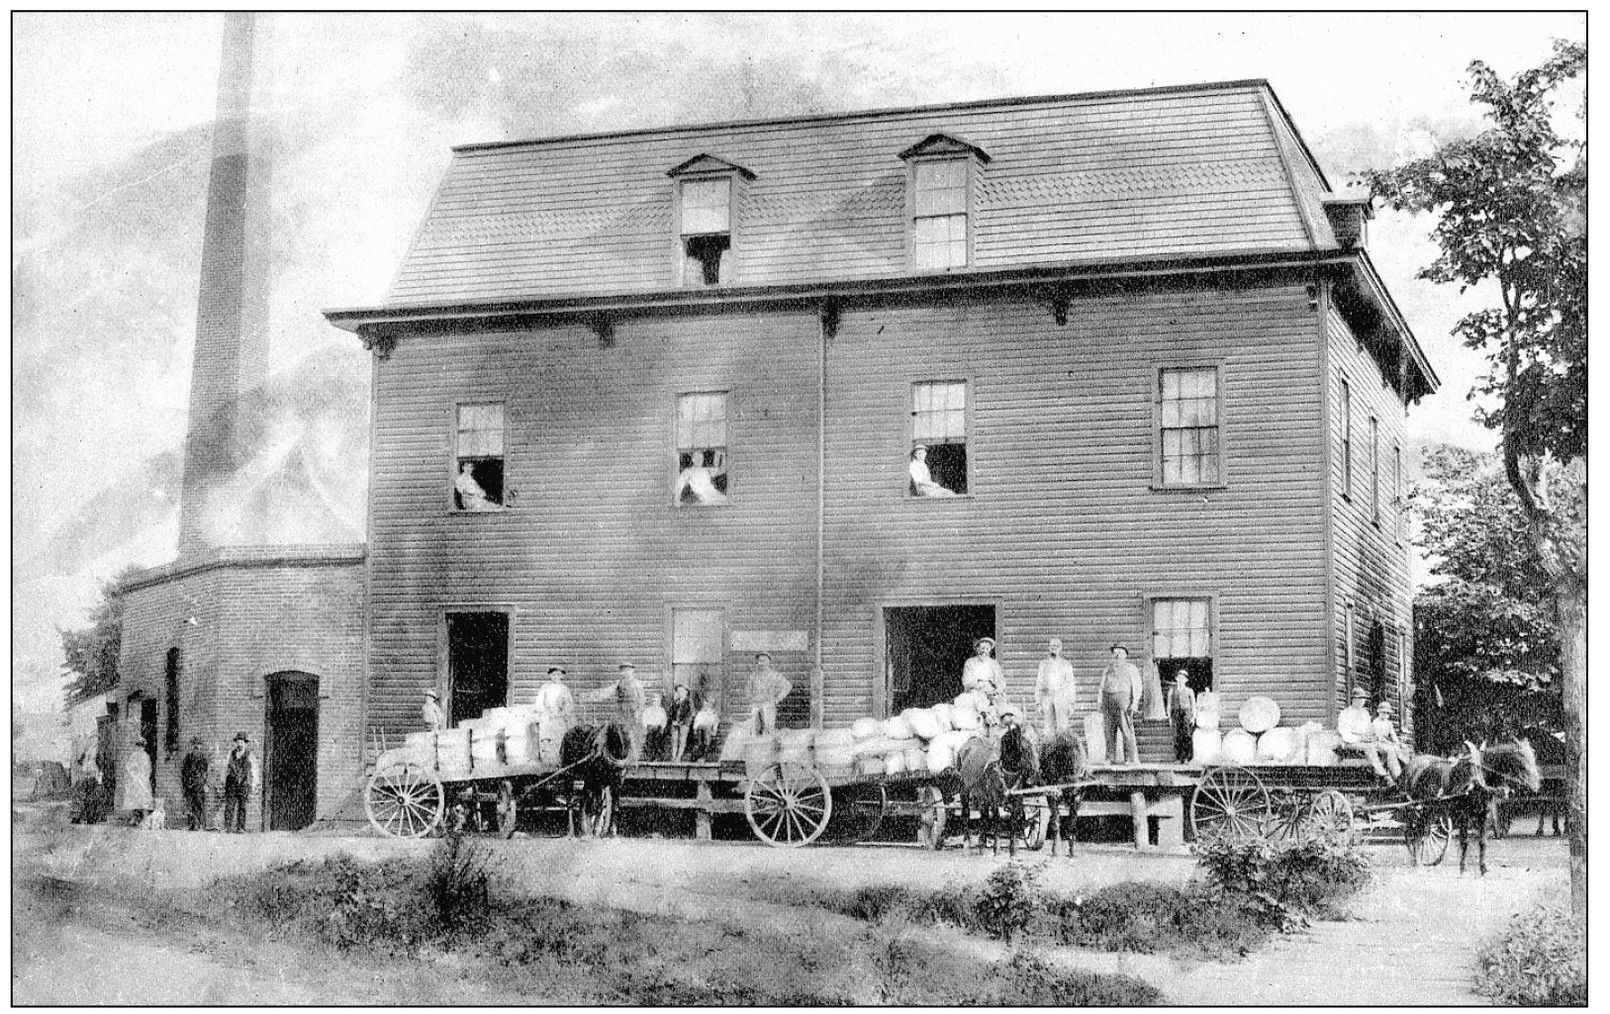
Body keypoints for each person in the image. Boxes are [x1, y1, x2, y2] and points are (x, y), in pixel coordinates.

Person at [584, 664, 647, 760]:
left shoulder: (637, 684)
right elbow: (607, 692)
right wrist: (591, 696)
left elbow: (642, 700)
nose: (626, 672)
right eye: (624, 670)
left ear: (632, 671)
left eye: (628, 670)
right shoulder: (619, 683)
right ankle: (599, 749)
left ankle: (635, 758)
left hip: (633, 713)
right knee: (608, 729)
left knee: (633, 735)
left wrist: (638, 712)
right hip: (620, 712)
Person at [1098, 644, 1142, 764]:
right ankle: (1110, 757)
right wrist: (1099, 701)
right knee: (1109, 731)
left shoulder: (1131, 668)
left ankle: (1129, 758)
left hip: (1124, 702)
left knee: (1126, 730)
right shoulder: (1107, 669)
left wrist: (1135, 703)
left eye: (1120, 653)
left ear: (1125, 655)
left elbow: (1137, 686)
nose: (1117, 655)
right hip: (1108, 702)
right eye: (1115, 653)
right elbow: (1102, 686)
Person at [1034, 638, 1077, 737]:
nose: (1054, 649)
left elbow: (1071, 684)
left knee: (1062, 727)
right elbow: (1039, 683)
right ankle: (1050, 750)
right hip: (1047, 697)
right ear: (1049, 648)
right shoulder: (1043, 664)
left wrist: (1071, 703)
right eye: (1052, 647)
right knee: (1048, 728)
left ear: (1060, 648)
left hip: (1061, 697)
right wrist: (1038, 703)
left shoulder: (1066, 664)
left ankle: (1063, 750)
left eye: (1056, 646)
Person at [746, 652, 792, 736]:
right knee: (753, 730)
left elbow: (787, 686)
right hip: (755, 705)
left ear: (768, 662)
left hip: (768, 705)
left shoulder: (774, 675)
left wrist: (777, 699)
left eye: (764, 661)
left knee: (768, 729)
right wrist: (751, 698)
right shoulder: (753, 676)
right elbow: (747, 689)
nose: (761, 663)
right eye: (759, 661)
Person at [221, 732, 258, 834]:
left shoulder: (250, 755)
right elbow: (225, 768)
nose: (239, 744)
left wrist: (253, 785)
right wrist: (223, 780)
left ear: (245, 743)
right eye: (238, 742)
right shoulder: (231, 754)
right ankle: (227, 826)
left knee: (242, 806)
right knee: (229, 805)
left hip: (244, 784)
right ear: (235, 743)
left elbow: (254, 771)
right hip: (231, 783)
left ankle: (240, 827)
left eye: (241, 742)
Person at [115, 729, 154, 824]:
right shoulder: (133, 755)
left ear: (144, 747)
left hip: (142, 779)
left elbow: (148, 768)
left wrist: (144, 775)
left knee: (143, 797)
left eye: (142, 746)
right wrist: (133, 775)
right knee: (133, 798)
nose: (140, 748)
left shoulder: (145, 756)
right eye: (138, 746)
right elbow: (129, 767)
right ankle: (134, 817)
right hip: (134, 779)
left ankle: (145, 817)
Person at [1366, 700, 1406, 782]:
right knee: (1390, 750)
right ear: (1379, 712)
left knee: (1399, 749)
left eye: (1387, 713)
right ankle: (1395, 774)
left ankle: (1403, 769)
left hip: (1386, 743)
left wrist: (1398, 743)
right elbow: (1379, 737)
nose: (1385, 715)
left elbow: (1393, 735)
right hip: (1376, 743)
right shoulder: (1375, 723)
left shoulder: (1389, 724)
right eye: (1383, 712)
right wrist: (1389, 743)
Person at [180, 736, 211, 831]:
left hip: (199, 785)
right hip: (189, 784)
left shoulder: (203, 759)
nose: (196, 747)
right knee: (190, 804)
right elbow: (183, 771)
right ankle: (191, 824)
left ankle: (198, 824)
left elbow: (205, 773)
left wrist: (204, 783)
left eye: (198, 745)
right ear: (192, 746)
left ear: (201, 746)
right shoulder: (187, 758)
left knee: (198, 804)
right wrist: (185, 783)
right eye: (194, 745)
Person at [1166, 671, 1197, 763]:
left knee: (1186, 735)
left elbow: (1193, 705)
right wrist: (1169, 717)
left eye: (1182, 678)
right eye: (1179, 678)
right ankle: (1179, 758)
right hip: (1176, 713)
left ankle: (1187, 758)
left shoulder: (1189, 691)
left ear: (1186, 680)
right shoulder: (1172, 690)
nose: (1180, 680)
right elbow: (1169, 704)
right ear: (1176, 679)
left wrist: (1193, 717)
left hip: (1186, 713)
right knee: (1177, 736)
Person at [667, 683, 695, 761]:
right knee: (674, 739)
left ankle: (679, 756)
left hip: (684, 724)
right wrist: (673, 721)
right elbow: (671, 713)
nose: (680, 693)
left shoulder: (689, 702)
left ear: (686, 692)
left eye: (682, 691)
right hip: (675, 724)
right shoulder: (675, 702)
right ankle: (673, 756)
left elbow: (691, 714)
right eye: (678, 691)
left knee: (682, 740)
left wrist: (682, 722)